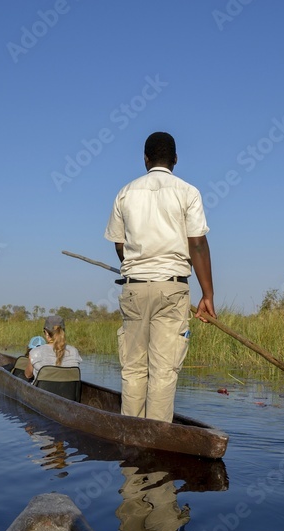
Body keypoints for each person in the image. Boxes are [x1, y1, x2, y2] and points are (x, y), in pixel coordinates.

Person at [104, 131, 216, 422]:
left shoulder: (125, 192)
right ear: (175, 159)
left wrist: (136, 268)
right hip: (173, 289)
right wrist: (208, 295)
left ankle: (131, 441)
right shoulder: (188, 192)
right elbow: (198, 244)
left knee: (134, 370)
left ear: (145, 159)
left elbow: (120, 244)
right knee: (164, 372)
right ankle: (156, 444)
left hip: (134, 290)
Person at [24, 315, 81, 381]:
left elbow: (28, 375)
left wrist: (31, 360)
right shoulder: (74, 351)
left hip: (42, 389)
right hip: (68, 391)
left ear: (47, 333)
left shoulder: (35, 352)